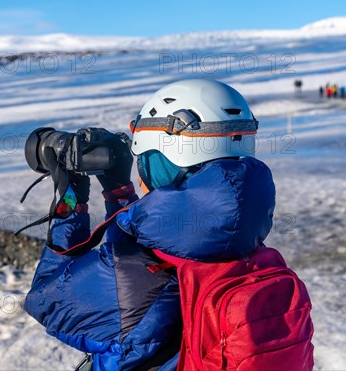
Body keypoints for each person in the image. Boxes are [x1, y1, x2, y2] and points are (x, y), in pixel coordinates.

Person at [25, 79, 277, 370]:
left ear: (162, 157)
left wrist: (70, 203)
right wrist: (119, 192)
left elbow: (44, 298)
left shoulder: (131, 278)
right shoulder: (250, 251)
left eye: (146, 158)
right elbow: (146, 254)